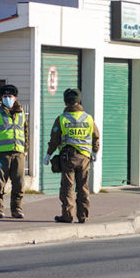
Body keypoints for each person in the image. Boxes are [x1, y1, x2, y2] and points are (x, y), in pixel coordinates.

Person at [43, 88, 100, 223]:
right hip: (85, 158)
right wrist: (95, 151)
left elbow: (54, 139)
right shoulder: (88, 118)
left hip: (68, 158)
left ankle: (68, 215)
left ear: (65, 102)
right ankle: (83, 216)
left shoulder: (62, 119)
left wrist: (48, 154)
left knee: (68, 187)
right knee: (83, 187)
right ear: (79, 101)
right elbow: (96, 136)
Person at [0, 84, 29, 219]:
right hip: (0, 154)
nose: (7, 99)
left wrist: (25, 148)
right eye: (5, 96)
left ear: (15, 98)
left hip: (18, 153)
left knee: (19, 183)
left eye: (10, 96)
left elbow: (25, 131)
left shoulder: (21, 113)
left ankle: (17, 209)